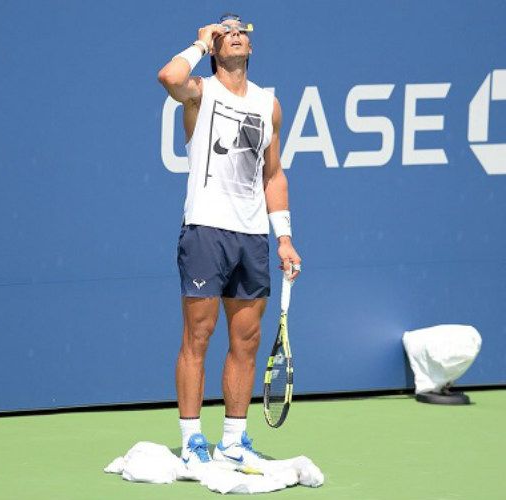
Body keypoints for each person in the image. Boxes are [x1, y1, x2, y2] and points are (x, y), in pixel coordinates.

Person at [157, 13, 302, 472]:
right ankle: (192, 438)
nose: (235, 35)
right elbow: (169, 76)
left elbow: (273, 174)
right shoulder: (200, 92)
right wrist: (200, 43)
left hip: (253, 234)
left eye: (241, 31)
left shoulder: (269, 104)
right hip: (205, 228)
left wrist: (284, 238)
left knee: (247, 339)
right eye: (226, 31)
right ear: (217, 48)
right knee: (197, 336)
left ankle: (234, 442)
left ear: (251, 48)